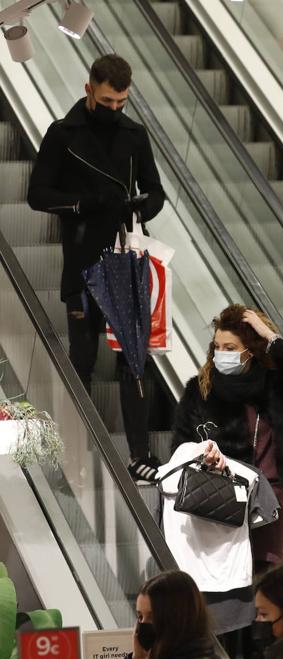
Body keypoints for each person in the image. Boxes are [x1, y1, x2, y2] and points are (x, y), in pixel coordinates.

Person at [27, 54, 165, 484]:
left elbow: (156, 191)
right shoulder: (62, 134)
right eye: (107, 101)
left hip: (126, 258)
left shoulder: (134, 135)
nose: (114, 109)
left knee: (133, 359)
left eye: (121, 103)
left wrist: (144, 207)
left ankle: (139, 455)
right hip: (84, 258)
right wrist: (83, 204)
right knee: (83, 359)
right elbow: (37, 195)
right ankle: (74, 454)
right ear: (89, 89)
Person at [170, 305, 283, 572]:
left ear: (250, 351)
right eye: (217, 347)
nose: (221, 354)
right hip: (217, 511)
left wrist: (269, 335)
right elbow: (180, 449)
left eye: (230, 348)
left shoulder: (276, 388)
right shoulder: (200, 391)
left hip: (267, 510)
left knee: (266, 584)